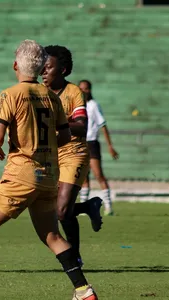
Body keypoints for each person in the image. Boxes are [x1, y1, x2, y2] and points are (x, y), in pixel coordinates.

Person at [0, 40, 97, 300]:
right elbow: (65, 136)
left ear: (16, 65)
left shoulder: (10, 94)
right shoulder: (51, 96)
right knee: (52, 235)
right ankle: (84, 291)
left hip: (21, 174)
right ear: (38, 67)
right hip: (49, 176)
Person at [42, 45, 103, 264]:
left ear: (64, 70)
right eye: (41, 67)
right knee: (54, 209)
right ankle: (88, 206)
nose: (43, 71)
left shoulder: (73, 92)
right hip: (49, 155)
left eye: (48, 67)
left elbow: (81, 127)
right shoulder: (40, 92)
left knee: (61, 209)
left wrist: (56, 123)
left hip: (73, 153)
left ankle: (74, 255)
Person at [78, 79, 118, 216]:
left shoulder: (94, 105)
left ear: (90, 90)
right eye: (81, 89)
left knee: (98, 174)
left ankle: (108, 206)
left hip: (92, 143)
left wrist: (110, 146)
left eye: (86, 88)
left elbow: (103, 125)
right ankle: (84, 208)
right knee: (83, 177)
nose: (84, 91)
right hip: (80, 143)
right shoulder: (77, 106)